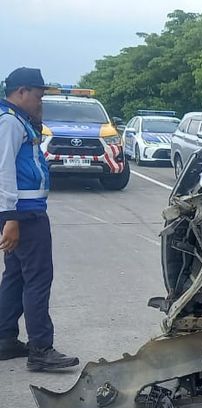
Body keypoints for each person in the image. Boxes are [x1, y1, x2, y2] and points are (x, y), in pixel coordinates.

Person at [0, 67, 79, 371]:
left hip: (22, 211)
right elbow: (4, 170)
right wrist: (10, 218)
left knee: (16, 276)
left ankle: (5, 338)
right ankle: (41, 349)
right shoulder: (9, 122)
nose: (40, 102)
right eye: (38, 96)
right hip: (24, 213)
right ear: (21, 92)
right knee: (37, 278)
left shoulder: (18, 120)